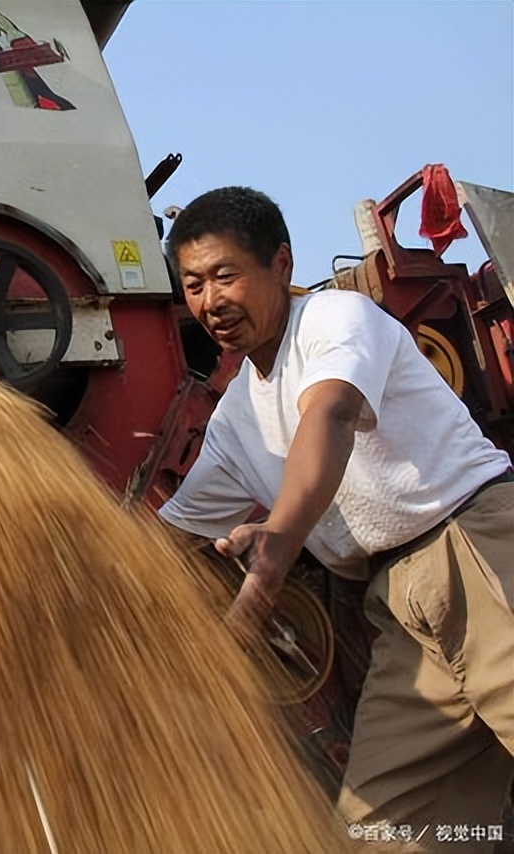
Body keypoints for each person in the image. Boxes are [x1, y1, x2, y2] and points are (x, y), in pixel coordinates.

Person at [158, 187, 513, 852]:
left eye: (227, 275)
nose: (211, 302)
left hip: (474, 550)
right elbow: (167, 538)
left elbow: (332, 415)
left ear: (282, 265)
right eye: (194, 284)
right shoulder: (237, 416)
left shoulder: (334, 319)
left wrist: (272, 559)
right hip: (399, 610)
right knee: (381, 831)